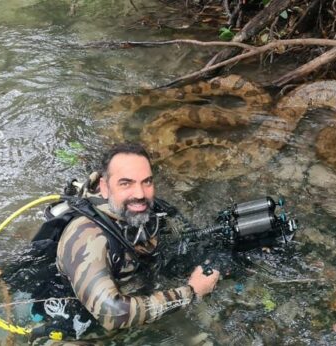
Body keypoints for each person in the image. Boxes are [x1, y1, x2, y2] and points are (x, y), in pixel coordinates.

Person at [29, 142, 220, 342]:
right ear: (104, 187)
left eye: (146, 182)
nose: (139, 193)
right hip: (79, 330)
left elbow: (188, 242)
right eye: (126, 183)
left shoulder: (150, 213)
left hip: (133, 307)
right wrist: (190, 292)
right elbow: (112, 312)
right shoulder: (87, 235)